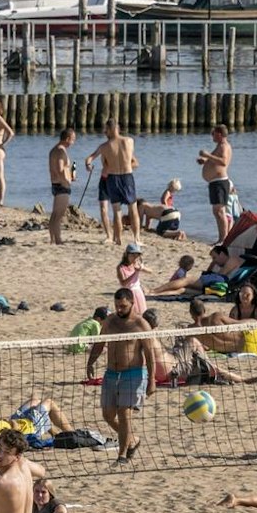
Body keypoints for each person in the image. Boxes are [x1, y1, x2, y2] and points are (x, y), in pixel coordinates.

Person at [86, 287, 157, 461]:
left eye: (123, 306)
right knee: (108, 415)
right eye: (117, 305)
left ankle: (122, 455)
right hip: (111, 373)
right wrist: (90, 362)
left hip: (133, 374)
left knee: (124, 414)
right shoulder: (110, 321)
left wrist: (152, 380)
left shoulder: (140, 325)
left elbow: (150, 355)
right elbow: (99, 344)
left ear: (132, 303)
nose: (119, 309)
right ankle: (132, 439)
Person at [85, 118, 139, 246]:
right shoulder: (129, 141)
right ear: (118, 128)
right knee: (133, 208)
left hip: (113, 177)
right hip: (126, 176)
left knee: (117, 211)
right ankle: (136, 239)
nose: (105, 132)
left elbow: (89, 158)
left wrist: (88, 165)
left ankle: (119, 239)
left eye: (106, 130)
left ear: (110, 129)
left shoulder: (104, 147)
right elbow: (132, 160)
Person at [197, 124, 236, 242]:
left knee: (219, 211)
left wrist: (207, 155)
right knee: (217, 211)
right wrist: (205, 161)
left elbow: (223, 162)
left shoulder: (224, 146)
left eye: (213, 133)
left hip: (220, 182)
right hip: (215, 182)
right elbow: (216, 160)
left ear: (219, 134)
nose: (212, 136)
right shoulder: (219, 146)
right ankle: (221, 238)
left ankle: (223, 239)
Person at [47, 127, 77, 245]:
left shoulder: (53, 150)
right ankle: (58, 240)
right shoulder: (61, 151)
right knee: (58, 215)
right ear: (67, 139)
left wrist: (69, 174)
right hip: (62, 185)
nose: (73, 142)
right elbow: (60, 169)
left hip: (55, 184)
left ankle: (52, 239)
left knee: (55, 214)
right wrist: (67, 180)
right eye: (73, 139)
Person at [118, 244, 147, 316]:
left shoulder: (136, 264)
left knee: (141, 313)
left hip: (138, 291)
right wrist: (135, 273)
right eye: (133, 255)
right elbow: (123, 283)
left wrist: (142, 268)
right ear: (127, 255)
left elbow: (150, 271)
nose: (135, 257)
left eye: (137, 255)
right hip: (128, 293)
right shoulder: (121, 268)